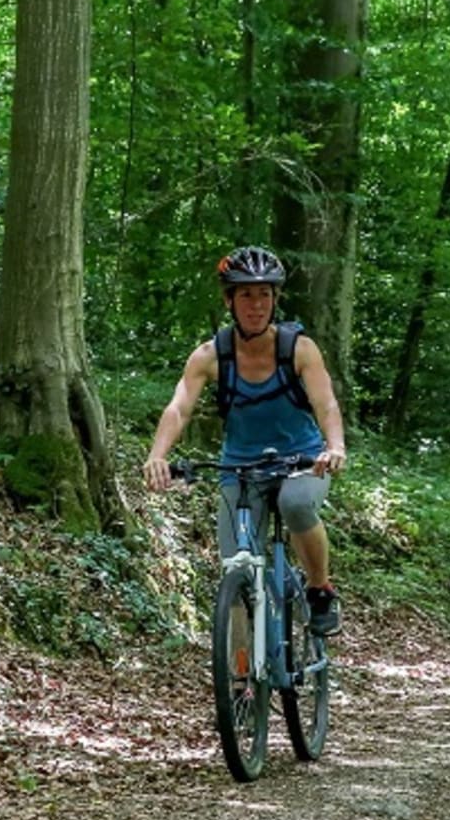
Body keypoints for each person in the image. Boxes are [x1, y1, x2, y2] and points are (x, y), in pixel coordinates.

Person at [143, 245, 348, 635]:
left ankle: (319, 589)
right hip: (240, 466)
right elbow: (179, 408)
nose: (256, 304)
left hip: (302, 461)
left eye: (265, 295)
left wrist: (334, 446)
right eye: (246, 295)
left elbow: (326, 405)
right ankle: (240, 679)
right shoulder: (210, 355)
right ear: (229, 300)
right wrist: (158, 455)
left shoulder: (298, 349)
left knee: (296, 503)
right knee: (234, 567)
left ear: (275, 300)